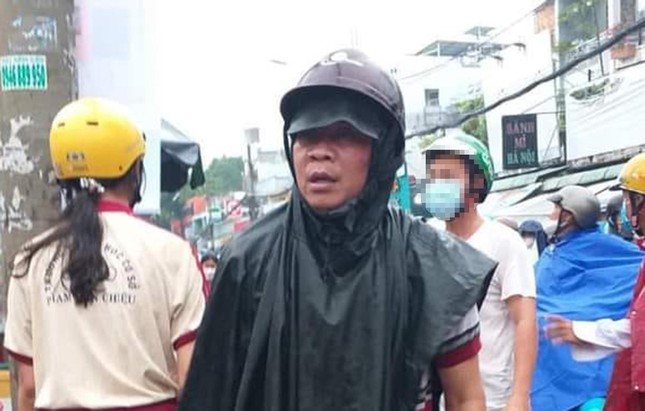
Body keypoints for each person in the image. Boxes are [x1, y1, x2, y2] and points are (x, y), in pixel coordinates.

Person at [179, 49, 497, 411]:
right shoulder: (247, 261)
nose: (319, 152)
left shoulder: (436, 269)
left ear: (384, 151)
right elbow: (211, 395)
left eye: (343, 135)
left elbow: (466, 397)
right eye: (306, 135)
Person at [4, 98, 206, 411]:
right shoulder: (173, 254)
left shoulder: (31, 259)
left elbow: (29, 387)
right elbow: (192, 376)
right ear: (135, 171)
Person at [423, 134, 537, 411]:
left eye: (447, 176)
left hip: (494, 399)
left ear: (476, 183)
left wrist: (519, 396)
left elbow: (525, 321)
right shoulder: (426, 240)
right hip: (441, 398)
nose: (437, 185)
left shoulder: (504, 242)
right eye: (433, 177)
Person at [533, 185, 642, 410]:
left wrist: (579, 326)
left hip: (599, 364)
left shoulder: (612, 249)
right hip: (565, 349)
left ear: (570, 216)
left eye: (555, 208)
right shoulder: (553, 252)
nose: (550, 214)